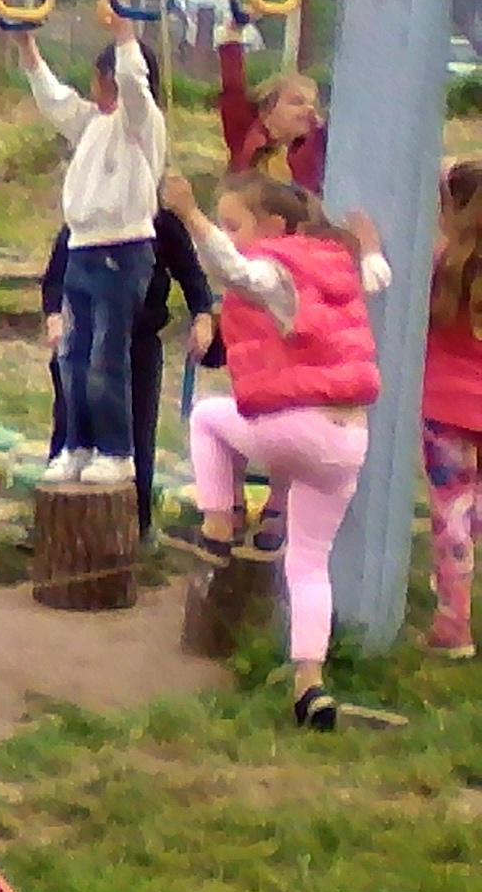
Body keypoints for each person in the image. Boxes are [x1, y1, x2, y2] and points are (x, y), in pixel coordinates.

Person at [162, 170, 389, 730]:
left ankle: (218, 526)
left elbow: (237, 271)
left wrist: (190, 215)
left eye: (234, 224)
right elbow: (376, 277)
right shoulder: (339, 265)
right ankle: (310, 683)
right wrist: (371, 249)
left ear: (274, 226)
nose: (229, 235)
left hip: (295, 427)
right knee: (308, 562)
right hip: (347, 440)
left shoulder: (277, 270)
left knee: (208, 417)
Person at [20, 10, 166, 489]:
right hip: (82, 248)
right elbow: (55, 100)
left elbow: (135, 88)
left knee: (107, 353)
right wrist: (27, 48)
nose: (93, 88)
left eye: (101, 79)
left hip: (122, 248)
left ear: (112, 79)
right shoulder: (92, 124)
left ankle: (116, 450)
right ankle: (77, 444)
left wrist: (125, 35)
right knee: (72, 356)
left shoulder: (140, 125)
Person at [43, 207, 220, 537]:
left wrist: (202, 315)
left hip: (139, 339)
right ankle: (57, 525)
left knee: (137, 427)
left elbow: (191, 273)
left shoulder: (159, 221)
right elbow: (55, 275)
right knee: (71, 418)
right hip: (82, 338)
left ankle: (136, 525)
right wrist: (54, 315)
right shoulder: (86, 216)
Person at [423, 159, 482, 659]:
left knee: (452, 514)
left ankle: (453, 624)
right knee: (473, 511)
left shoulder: (442, 263)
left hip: (446, 407)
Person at [217, 32, 327, 193]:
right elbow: (233, 89)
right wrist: (233, 36)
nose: (309, 109)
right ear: (266, 112)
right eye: (297, 102)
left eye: (313, 104)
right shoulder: (245, 133)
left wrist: (320, 130)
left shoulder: (313, 147)